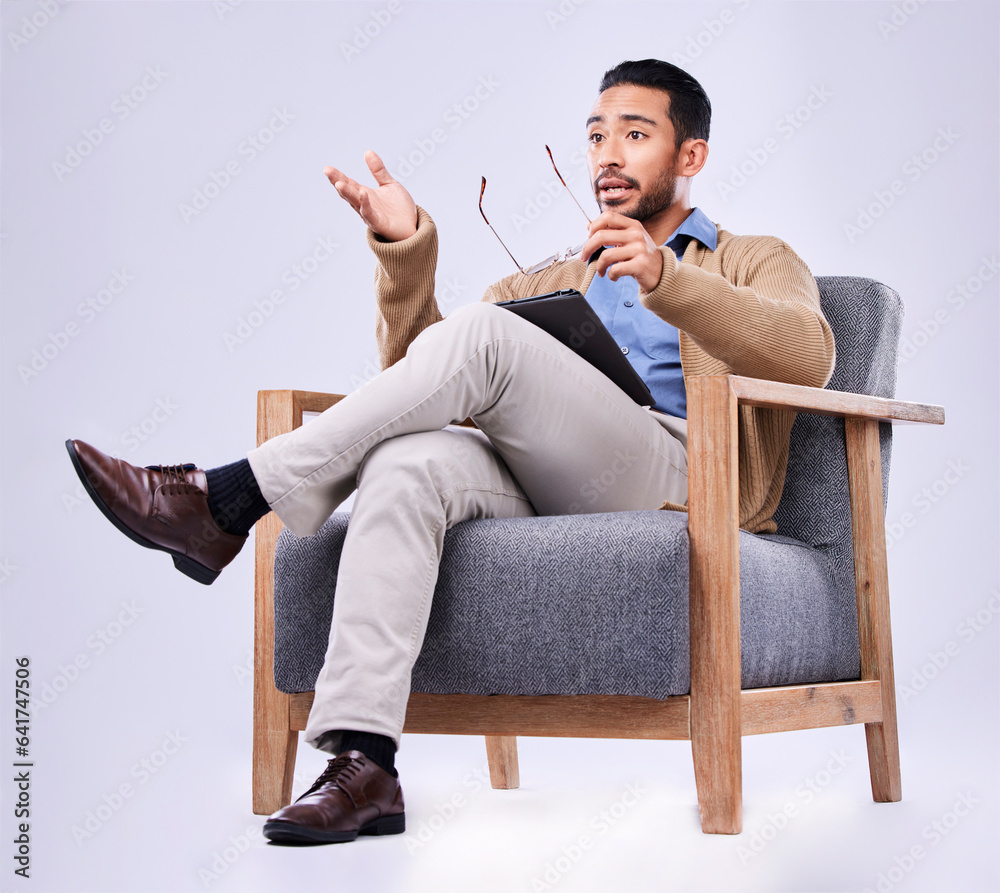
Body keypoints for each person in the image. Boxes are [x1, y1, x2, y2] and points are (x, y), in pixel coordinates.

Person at [66, 59, 836, 846]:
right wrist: (405, 251)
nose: (608, 153)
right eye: (597, 134)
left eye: (636, 135)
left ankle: (225, 497)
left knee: (482, 333)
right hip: (546, 483)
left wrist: (667, 278)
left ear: (689, 157)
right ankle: (364, 763)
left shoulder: (752, 256)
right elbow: (419, 380)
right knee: (408, 462)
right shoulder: (549, 278)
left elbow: (810, 354)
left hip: (682, 479)